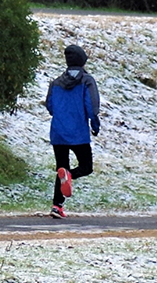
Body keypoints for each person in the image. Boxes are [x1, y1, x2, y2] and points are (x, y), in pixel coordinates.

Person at [45, 44, 100, 219]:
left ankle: (57, 206)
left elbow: (50, 106)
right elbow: (91, 105)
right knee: (86, 167)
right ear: (82, 61)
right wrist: (94, 121)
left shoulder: (55, 82)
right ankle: (69, 177)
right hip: (78, 133)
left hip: (58, 133)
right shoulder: (87, 80)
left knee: (62, 169)